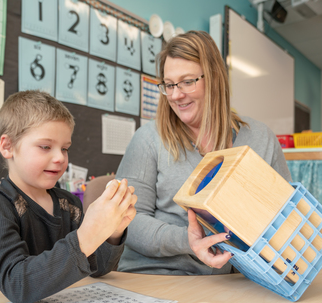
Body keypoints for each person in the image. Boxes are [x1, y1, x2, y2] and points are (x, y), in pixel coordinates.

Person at [115, 31, 292, 275]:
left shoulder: (261, 139)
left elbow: (286, 217)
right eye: (169, 85)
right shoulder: (148, 139)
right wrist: (189, 240)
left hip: (235, 281)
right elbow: (125, 221)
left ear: (214, 78)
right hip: (159, 276)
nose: (176, 95)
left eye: (187, 82)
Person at [0, 90, 137, 303]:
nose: (60, 158)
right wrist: (85, 237)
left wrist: (113, 231)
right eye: (45, 147)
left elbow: (101, 268)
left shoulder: (69, 204)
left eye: (65, 148)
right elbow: (17, 285)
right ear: (8, 146)